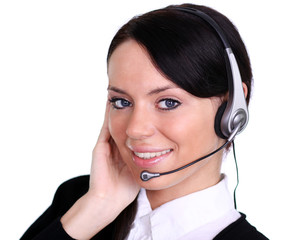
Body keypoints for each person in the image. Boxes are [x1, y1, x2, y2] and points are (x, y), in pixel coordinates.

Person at [20, 3, 268, 240]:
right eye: (121, 102)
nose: (134, 130)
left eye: (168, 102)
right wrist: (95, 209)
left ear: (233, 109)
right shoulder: (78, 202)